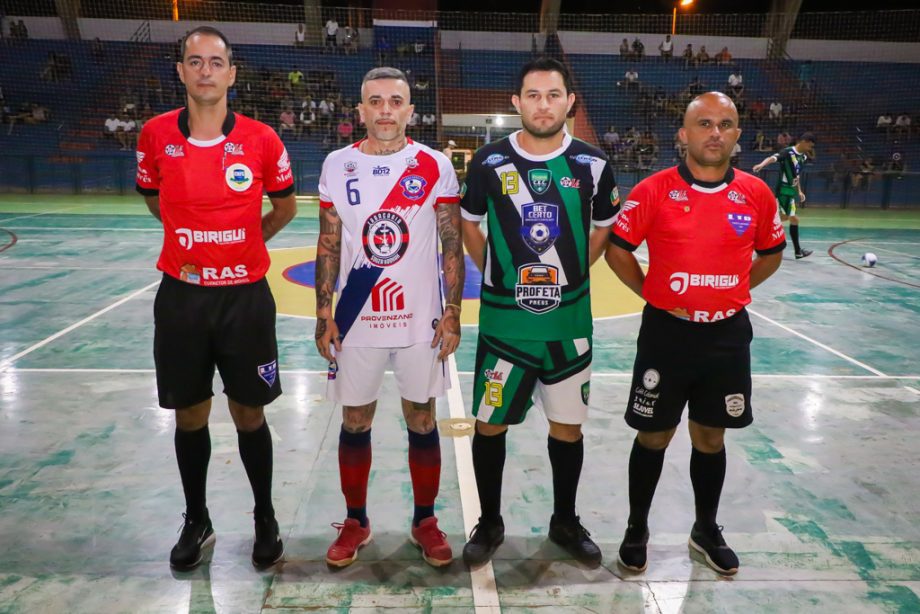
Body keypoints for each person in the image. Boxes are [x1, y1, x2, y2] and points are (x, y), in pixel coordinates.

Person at [135, 26, 296, 571]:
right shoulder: (156, 135)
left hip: (245, 300)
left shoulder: (261, 139)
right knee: (190, 414)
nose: (206, 70)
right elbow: (155, 200)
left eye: (216, 62)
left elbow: (285, 207)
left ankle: (265, 517)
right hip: (182, 299)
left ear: (232, 73)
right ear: (180, 71)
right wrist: (190, 239)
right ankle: (196, 518)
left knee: (250, 412)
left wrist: (247, 242)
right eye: (195, 61)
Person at [605, 91, 785, 577]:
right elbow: (618, 250)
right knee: (654, 434)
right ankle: (637, 527)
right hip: (667, 334)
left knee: (710, 435)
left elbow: (771, 253)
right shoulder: (653, 190)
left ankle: (705, 528)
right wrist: (654, 293)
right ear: (683, 134)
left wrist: (732, 289)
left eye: (725, 124)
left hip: (726, 337)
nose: (715, 133)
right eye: (704, 124)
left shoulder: (756, 193)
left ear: (738, 136)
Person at [460, 57, 619, 569]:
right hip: (505, 326)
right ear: (517, 102)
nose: (543, 104)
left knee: (567, 427)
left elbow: (603, 229)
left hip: (568, 327)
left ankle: (565, 521)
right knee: (490, 426)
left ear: (569, 101)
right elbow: (468, 224)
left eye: (553, 95)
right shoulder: (487, 163)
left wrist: (572, 278)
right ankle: (489, 521)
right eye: (533, 95)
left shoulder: (592, 165)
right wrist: (497, 277)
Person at [314, 66, 464, 568]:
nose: (384, 110)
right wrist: (323, 311)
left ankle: (425, 520)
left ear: (409, 110)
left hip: (419, 319)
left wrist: (453, 311)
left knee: (422, 419)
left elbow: (451, 243)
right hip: (358, 318)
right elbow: (329, 241)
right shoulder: (337, 165)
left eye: (395, 101)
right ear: (360, 110)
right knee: (355, 420)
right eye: (374, 101)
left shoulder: (435, 165)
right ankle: (356, 520)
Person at [753, 132, 816, 259]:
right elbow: (772, 158)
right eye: (810, 145)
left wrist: (799, 191)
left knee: (785, 218)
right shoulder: (787, 152)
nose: (810, 149)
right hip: (783, 190)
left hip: (791, 191)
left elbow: (796, 175)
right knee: (792, 219)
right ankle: (796, 251)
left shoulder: (803, 157)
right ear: (804, 141)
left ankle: (797, 252)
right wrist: (761, 165)